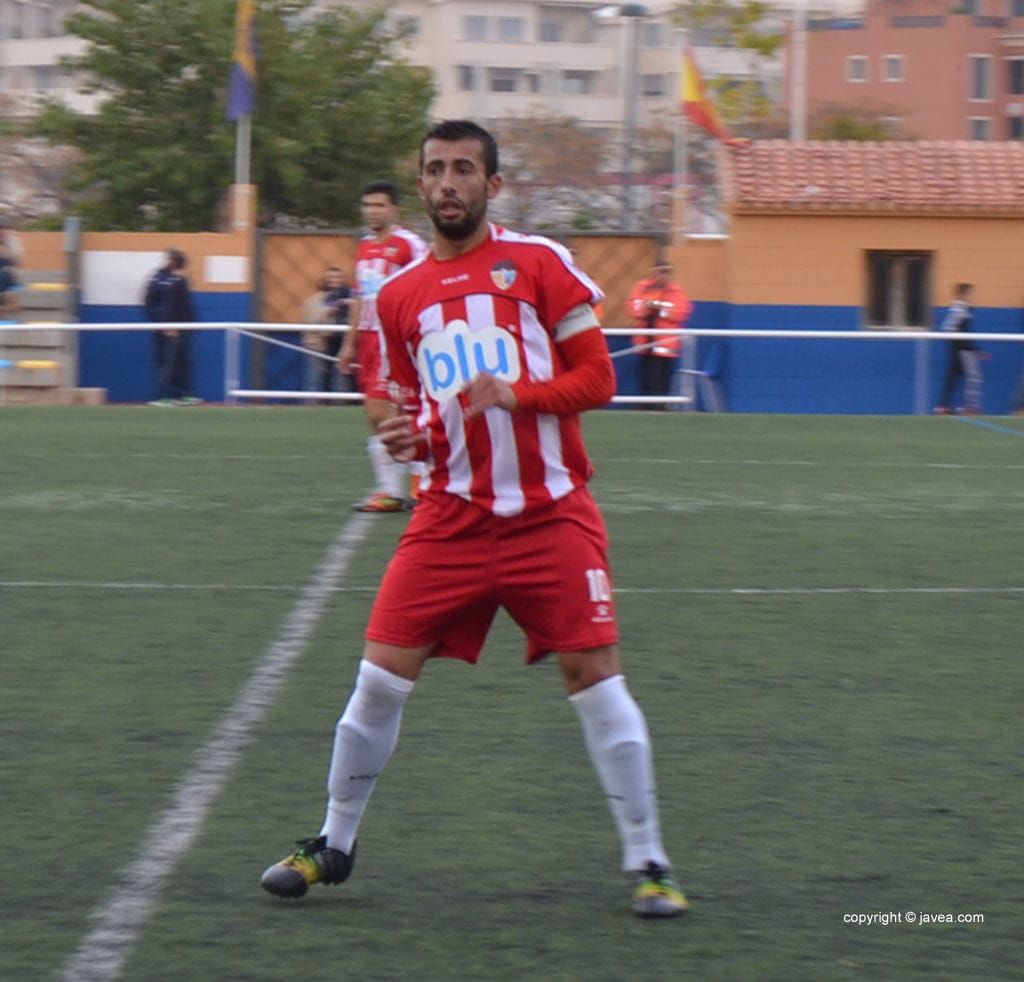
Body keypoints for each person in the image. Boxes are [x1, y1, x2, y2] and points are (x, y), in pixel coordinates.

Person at [260, 119, 687, 920]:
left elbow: (598, 380)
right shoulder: (399, 296)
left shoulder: (540, 263)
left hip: (550, 516)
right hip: (448, 520)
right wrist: (410, 437)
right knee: (377, 682)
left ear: (493, 185)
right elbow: (424, 413)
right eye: (435, 170)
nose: (448, 183)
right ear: (420, 185)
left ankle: (651, 861)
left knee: (595, 679)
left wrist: (518, 394)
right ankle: (334, 843)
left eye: (464, 169)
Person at [338, 180, 428, 511]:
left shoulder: (409, 245)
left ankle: (419, 482)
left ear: (395, 210)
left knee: (388, 410)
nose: (372, 211)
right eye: (367, 205)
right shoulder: (364, 247)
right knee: (375, 416)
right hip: (368, 341)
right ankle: (392, 490)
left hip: (395, 341)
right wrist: (349, 344)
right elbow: (360, 298)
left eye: (379, 205)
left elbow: (426, 286)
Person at [627, 262, 692, 408]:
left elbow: (681, 313)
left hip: (665, 347)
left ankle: (660, 407)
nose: (664, 275)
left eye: (667, 272)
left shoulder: (676, 291)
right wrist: (648, 307)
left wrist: (659, 308)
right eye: (661, 271)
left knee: (662, 379)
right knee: (643, 377)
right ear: (653, 272)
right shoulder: (641, 288)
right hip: (644, 344)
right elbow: (633, 309)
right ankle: (644, 406)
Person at [143, 248, 201, 406]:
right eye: (170, 258)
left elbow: (184, 304)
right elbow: (152, 303)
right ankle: (163, 396)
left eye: (174, 259)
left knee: (183, 362)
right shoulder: (158, 278)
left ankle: (184, 394)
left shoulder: (182, 279)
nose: (171, 261)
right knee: (167, 362)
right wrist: (164, 325)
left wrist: (191, 324)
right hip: (167, 328)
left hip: (184, 328)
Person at [301, 265, 352, 400]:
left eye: (338, 277)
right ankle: (312, 407)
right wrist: (328, 312)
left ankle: (338, 407)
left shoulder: (349, 298)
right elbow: (311, 320)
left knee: (340, 379)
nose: (335, 280)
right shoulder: (316, 299)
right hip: (318, 344)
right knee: (315, 379)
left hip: (340, 343)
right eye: (331, 277)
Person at [934, 282, 983, 415]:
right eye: (969, 294)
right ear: (962, 294)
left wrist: (974, 348)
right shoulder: (959, 309)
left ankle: (944, 406)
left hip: (962, 348)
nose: (971, 297)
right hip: (962, 350)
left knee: (953, 377)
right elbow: (948, 328)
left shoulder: (965, 310)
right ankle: (969, 407)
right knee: (973, 376)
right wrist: (962, 346)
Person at [0, 216, 24, 318]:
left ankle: (9, 303)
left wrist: (6, 250)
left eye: (3, 229)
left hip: (10, 272)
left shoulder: (14, 241)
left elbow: (19, 263)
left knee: (4, 273)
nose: (2, 232)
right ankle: (7, 304)